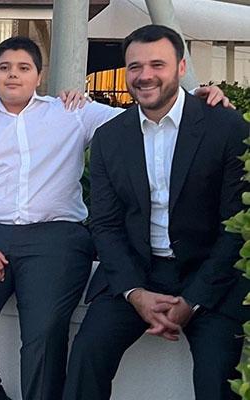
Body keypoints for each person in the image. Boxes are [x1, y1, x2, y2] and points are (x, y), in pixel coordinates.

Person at [0, 35, 230, 400]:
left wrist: (200, 101)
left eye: (23, 68)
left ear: (39, 76)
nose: (13, 75)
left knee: (45, 328)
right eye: (4, 68)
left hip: (56, 237)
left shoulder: (72, 112)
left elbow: (148, 116)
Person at [63, 24, 250, 400]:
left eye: (157, 65)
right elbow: (106, 225)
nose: (144, 75)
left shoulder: (226, 127)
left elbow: (236, 227)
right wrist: (135, 293)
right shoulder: (110, 137)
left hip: (210, 276)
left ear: (181, 67)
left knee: (218, 381)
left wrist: (192, 300)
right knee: (86, 356)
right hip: (138, 273)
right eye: (135, 66)